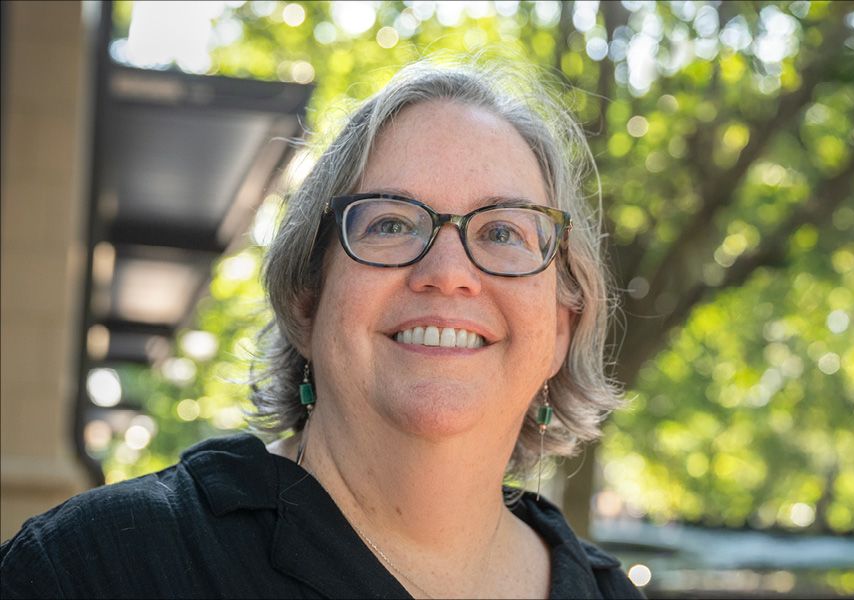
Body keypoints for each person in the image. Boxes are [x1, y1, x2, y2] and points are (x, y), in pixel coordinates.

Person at [1, 58, 642, 599]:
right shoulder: (97, 567)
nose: (448, 273)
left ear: (560, 330)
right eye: (391, 224)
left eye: (503, 232)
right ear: (307, 302)